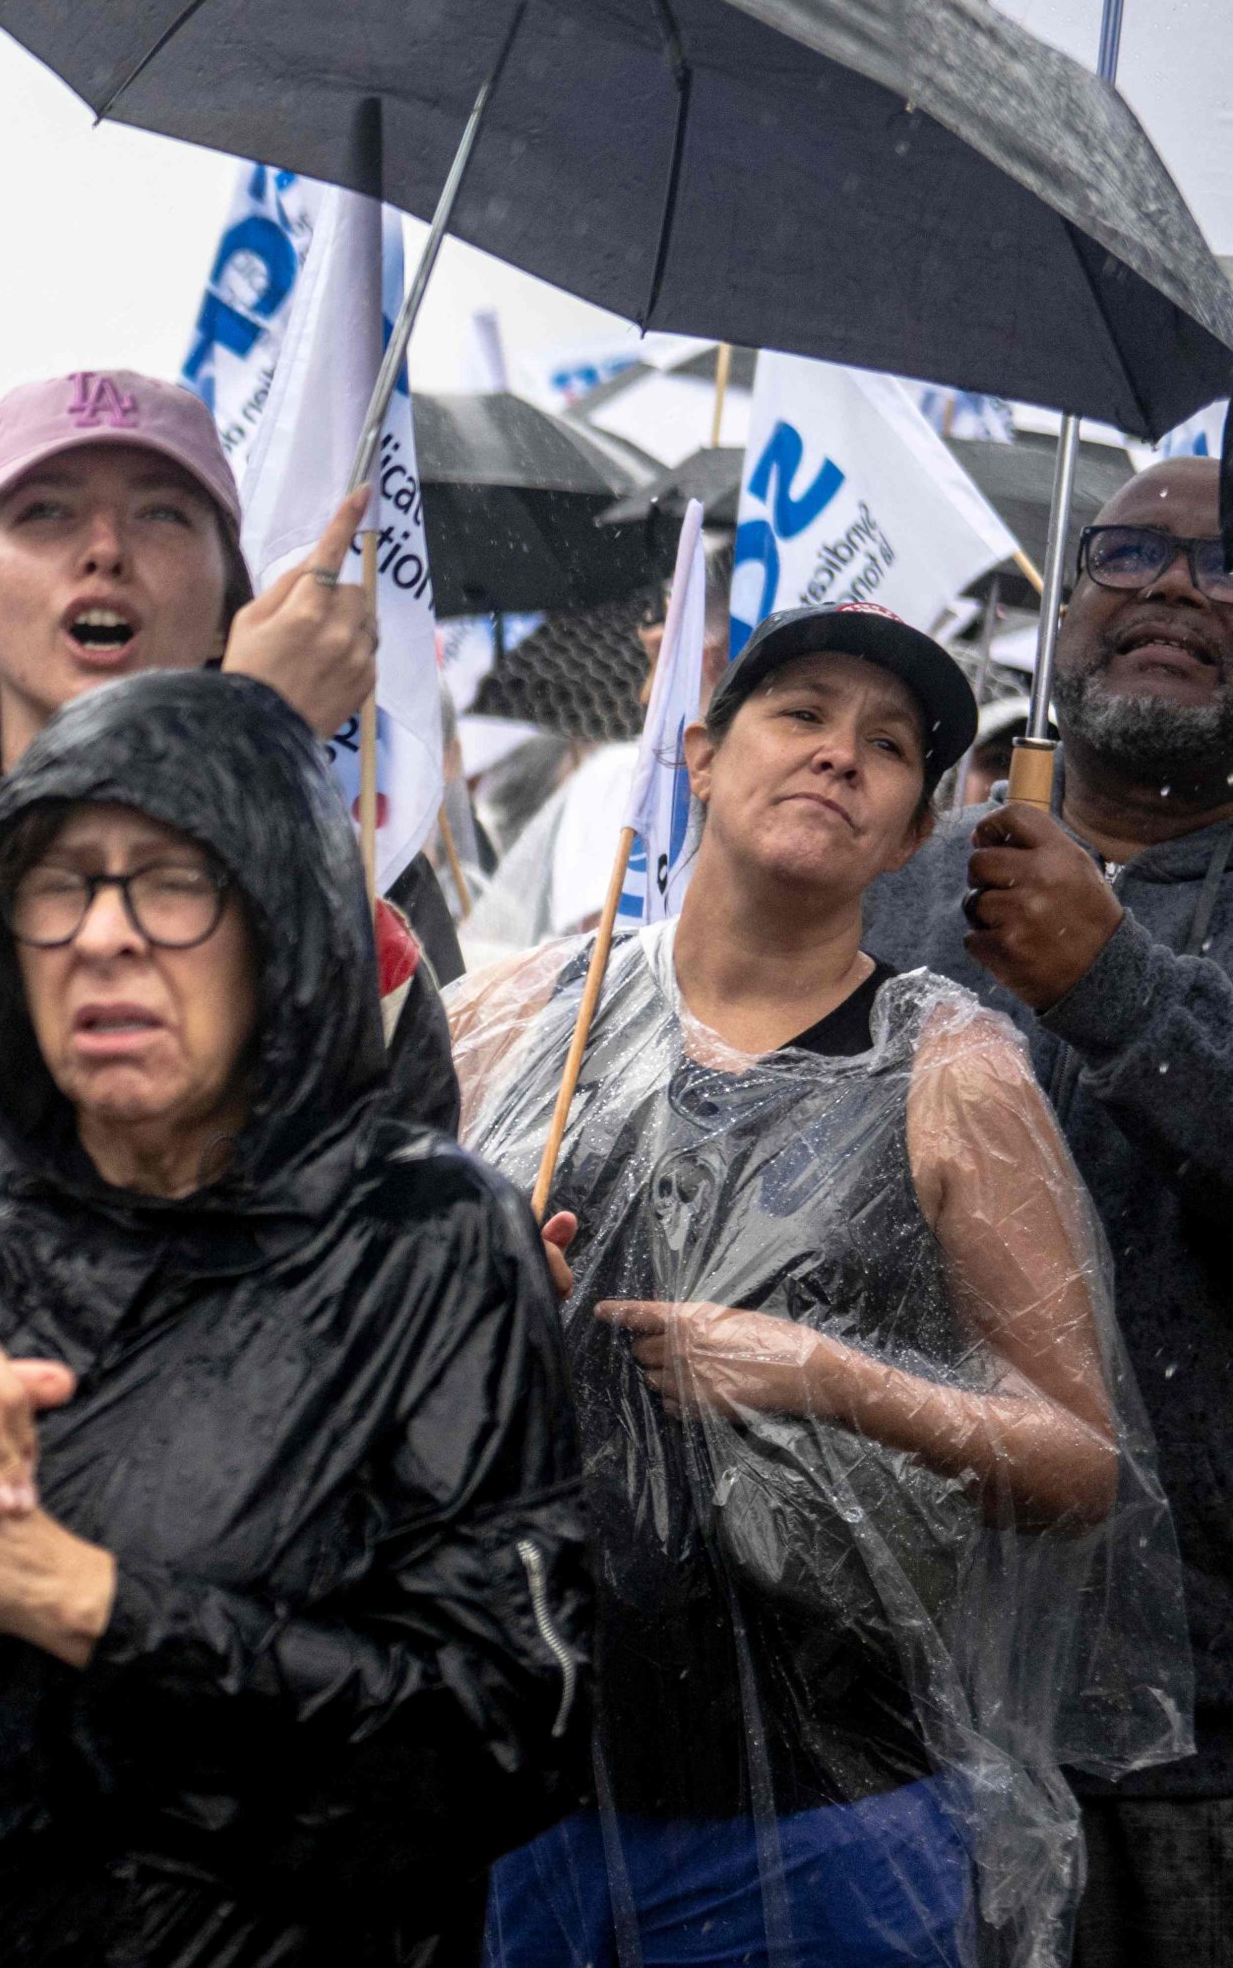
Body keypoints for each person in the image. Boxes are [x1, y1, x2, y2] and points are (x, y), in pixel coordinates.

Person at [0, 668, 590, 1963]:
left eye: (172, 881)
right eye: (60, 883)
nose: (104, 935)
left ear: (277, 924)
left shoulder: (428, 1243)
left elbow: (492, 1738)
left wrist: (85, 1603)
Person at [461, 605, 1186, 1965]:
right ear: (696, 748)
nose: (837, 755)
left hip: (820, 1814)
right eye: (797, 712)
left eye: (888, 744)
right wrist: (469, 1288)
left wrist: (825, 1379)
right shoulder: (512, 1021)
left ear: (917, 827)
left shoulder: (949, 1073)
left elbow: (1077, 1463)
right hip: (519, 1778)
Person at [863, 459, 1233, 1961]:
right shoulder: (895, 885)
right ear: (1060, 602)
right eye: (1127, 550)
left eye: (1219, 567)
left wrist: (1113, 981)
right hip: (891, 1702)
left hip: (1200, 1748)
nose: (1166, 587)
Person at [0, 367, 440, 1142]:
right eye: (44, 512)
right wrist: (240, 737)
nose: (105, 550)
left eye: (161, 514)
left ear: (224, 615)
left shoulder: (362, 955)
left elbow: (361, 1229)